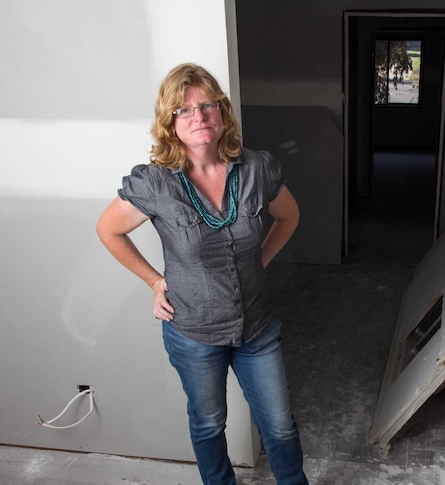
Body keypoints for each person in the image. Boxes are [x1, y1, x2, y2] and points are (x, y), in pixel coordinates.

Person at [96, 63, 308, 484]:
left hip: (258, 326)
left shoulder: (257, 169)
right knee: (209, 423)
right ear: (170, 122)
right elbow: (108, 229)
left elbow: (289, 217)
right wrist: (155, 282)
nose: (198, 116)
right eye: (184, 110)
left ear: (222, 112)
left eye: (207, 105)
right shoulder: (155, 183)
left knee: (280, 424)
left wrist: (258, 261)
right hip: (192, 330)